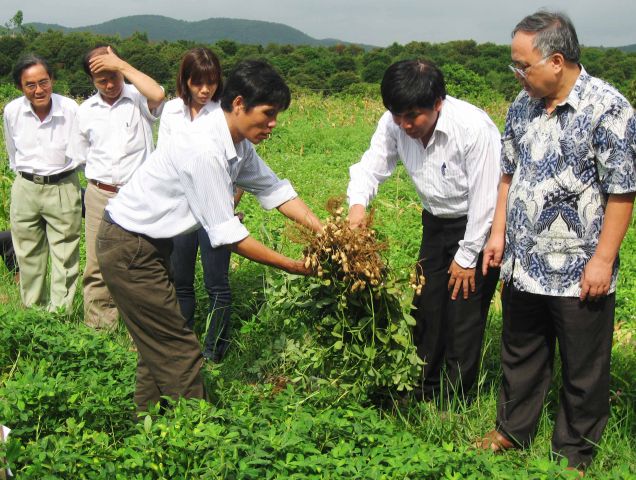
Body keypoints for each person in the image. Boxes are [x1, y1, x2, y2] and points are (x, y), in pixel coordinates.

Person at [95, 60, 322, 413]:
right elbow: (228, 235)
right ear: (238, 104)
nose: (273, 123)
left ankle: (149, 424)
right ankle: (198, 437)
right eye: (268, 113)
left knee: (159, 341)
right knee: (179, 348)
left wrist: (326, 232)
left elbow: (275, 190)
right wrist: (293, 265)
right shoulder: (203, 149)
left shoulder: (237, 143)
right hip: (129, 247)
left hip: (146, 244)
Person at [479, 11, 636, 473]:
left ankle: (574, 450)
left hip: (579, 267)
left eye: (522, 65)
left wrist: (603, 260)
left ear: (556, 60)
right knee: (521, 350)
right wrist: (498, 233)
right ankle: (512, 430)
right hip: (524, 261)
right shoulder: (522, 105)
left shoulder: (608, 108)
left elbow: (623, 191)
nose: (517, 74)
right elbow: (509, 173)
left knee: (584, 365)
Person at [347, 60, 501, 402]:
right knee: (426, 306)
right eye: (397, 114)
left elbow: (486, 198)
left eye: (413, 115)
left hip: (479, 225)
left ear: (438, 103)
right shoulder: (394, 123)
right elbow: (371, 166)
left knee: (463, 311)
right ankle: (422, 388)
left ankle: (455, 399)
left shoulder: (472, 127)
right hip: (435, 222)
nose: (405, 124)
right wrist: (358, 206)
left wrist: (466, 256)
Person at [67, 45, 165, 330]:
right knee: (98, 263)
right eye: (102, 80)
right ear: (92, 81)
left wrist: (121, 65)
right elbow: (80, 155)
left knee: (142, 259)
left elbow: (159, 94)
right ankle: (100, 329)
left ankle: (142, 329)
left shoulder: (138, 98)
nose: (110, 85)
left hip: (139, 194)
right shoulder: (84, 111)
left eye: (114, 76)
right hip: (100, 194)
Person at [157, 47, 242, 361]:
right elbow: (165, 160)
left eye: (212, 82)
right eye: (198, 83)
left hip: (214, 211)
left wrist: (228, 204)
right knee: (181, 282)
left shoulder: (223, 115)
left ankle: (214, 351)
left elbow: (240, 168)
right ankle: (183, 347)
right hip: (180, 209)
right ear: (185, 81)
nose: (205, 90)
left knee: (216, 282)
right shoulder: (171, 112)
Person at [3, 55, 81, 311]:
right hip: (25, 186)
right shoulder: (12, 111)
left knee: (65, 256)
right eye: (30, 85)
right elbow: (12, 153)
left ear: (52, 80)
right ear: (20, 87)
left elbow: (80, 152)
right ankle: (34, 315)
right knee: (27, 255)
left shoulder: (70, 109)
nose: (39, 90)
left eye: (44, 82)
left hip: (62, 185)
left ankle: (60, 317)